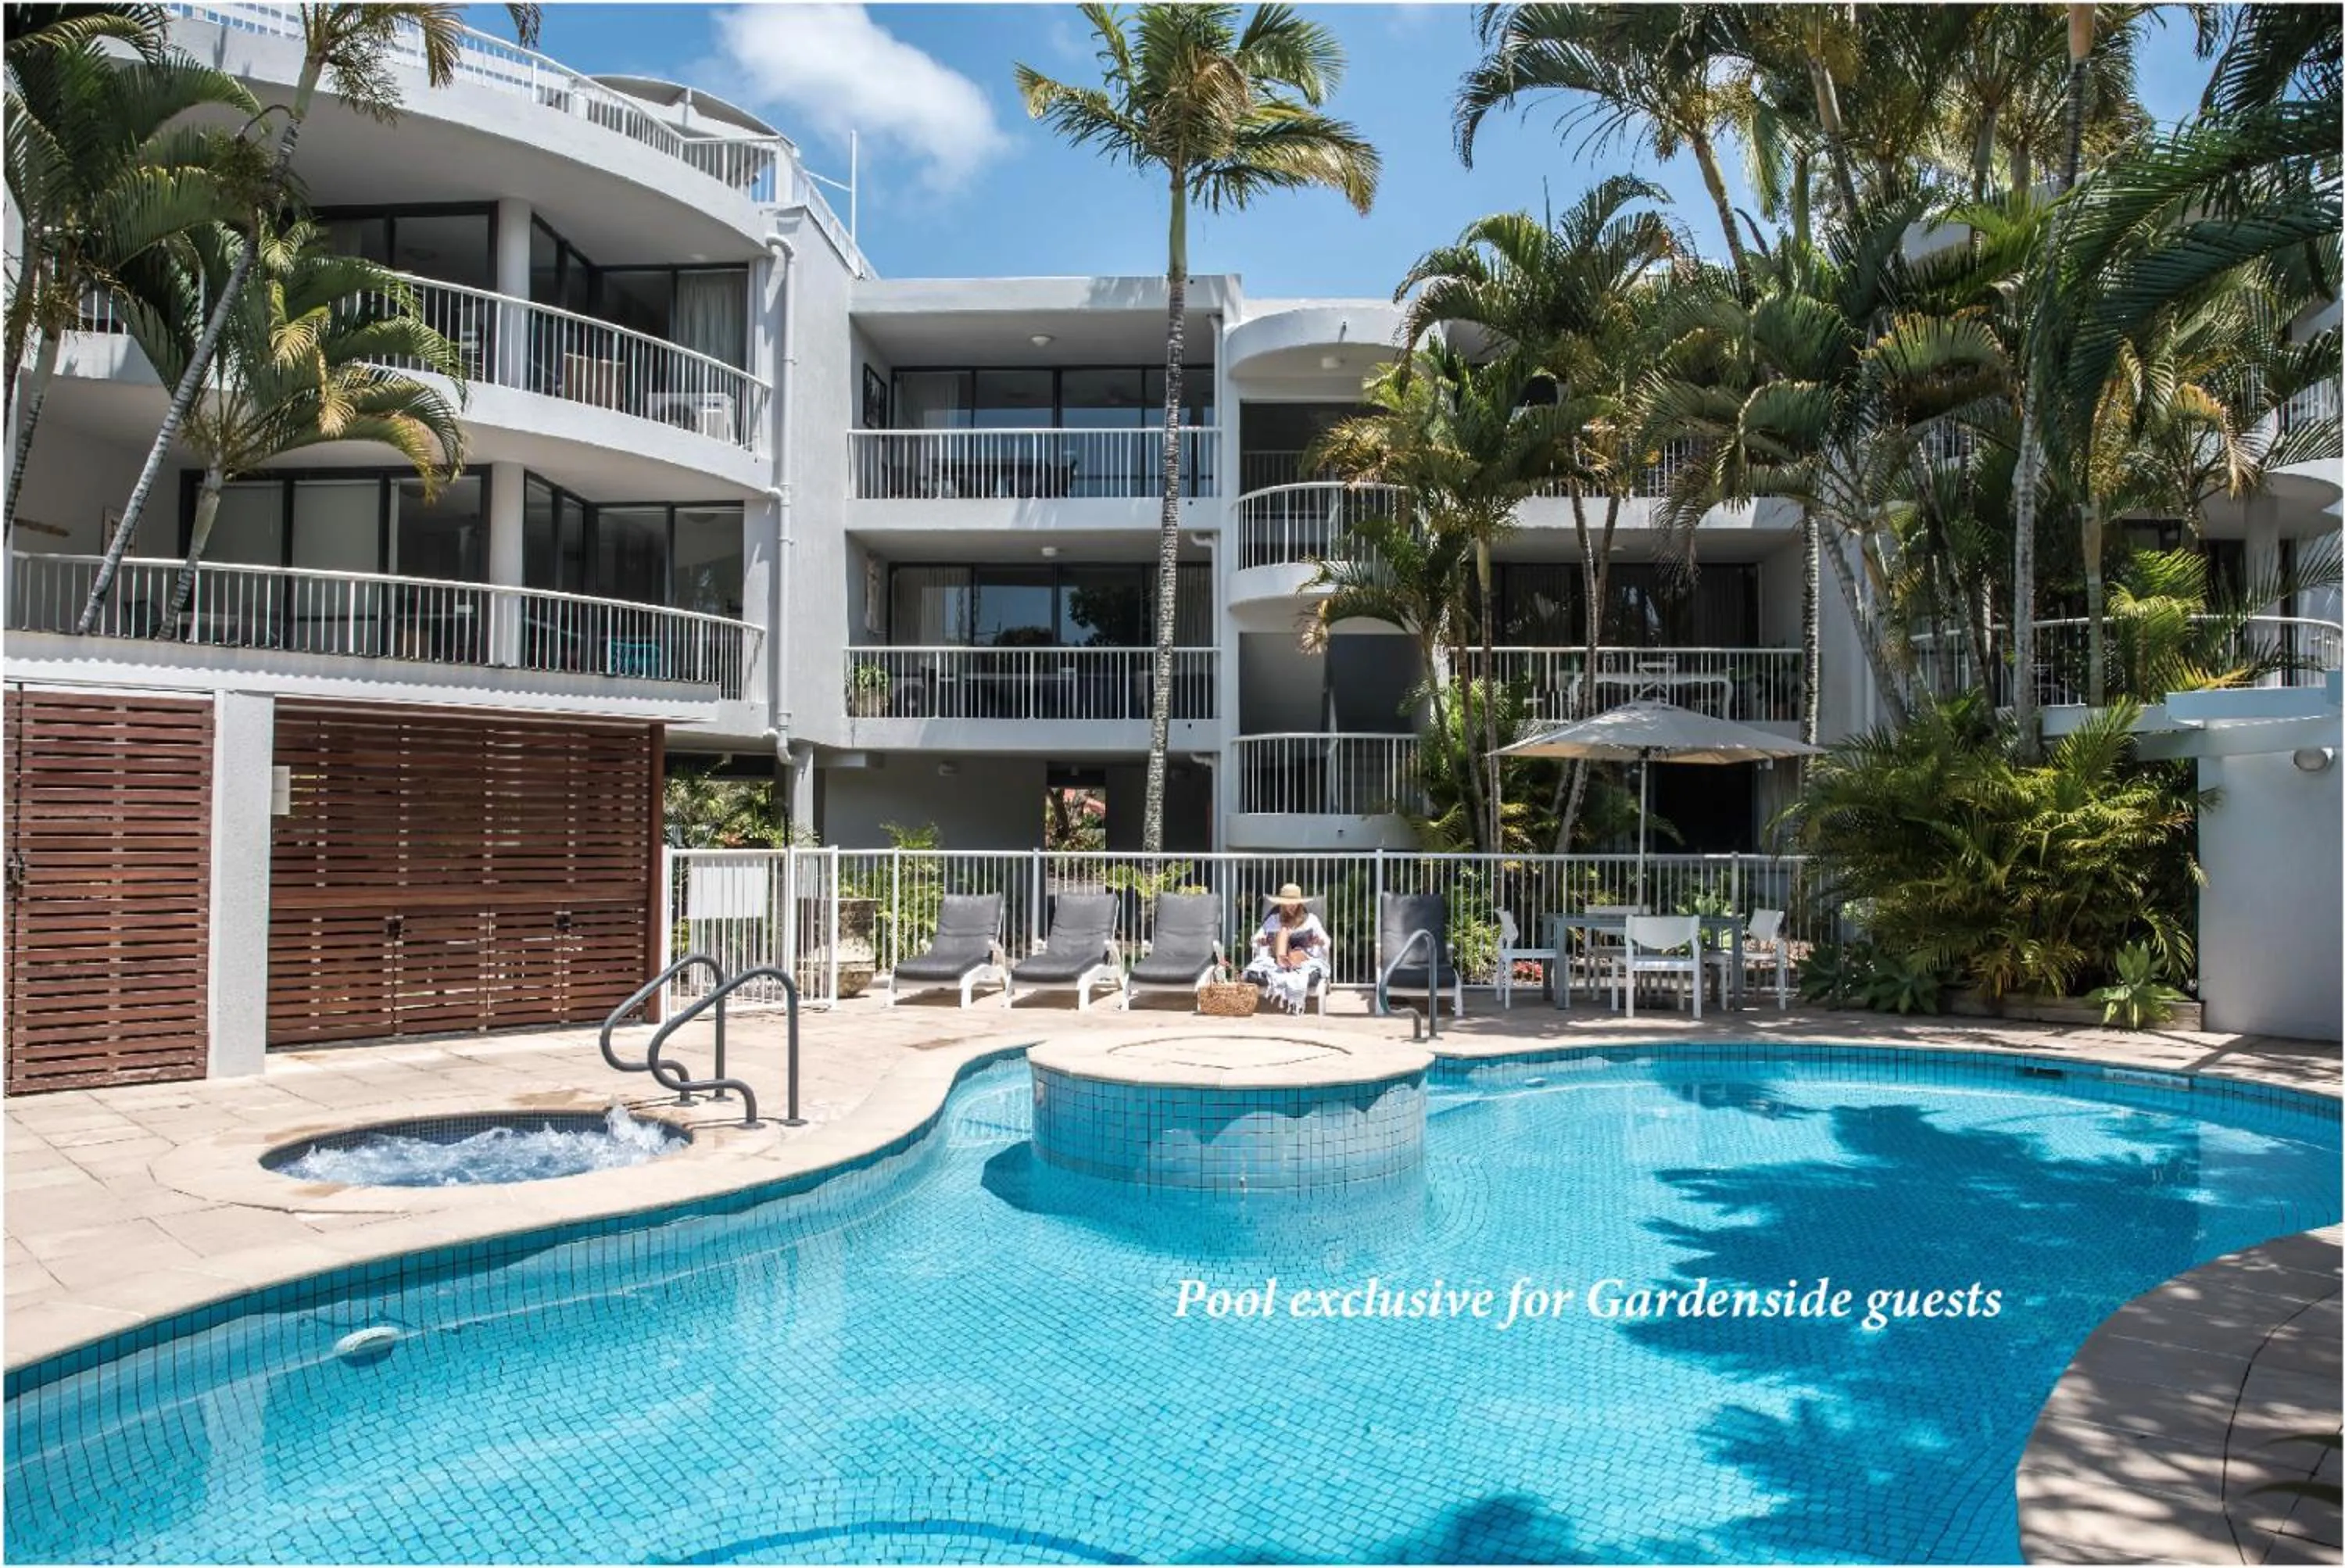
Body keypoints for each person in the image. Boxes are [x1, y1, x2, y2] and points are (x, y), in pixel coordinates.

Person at [1244, 883, 1329, 1014]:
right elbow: (1255, 939)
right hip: (1276, 958)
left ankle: (1285, 960)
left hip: (1302, 958)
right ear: (1282, 904)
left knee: (1295, 951)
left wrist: (1319, 941)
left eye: (1294, 903)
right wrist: (1261, 941)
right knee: (1283, 931)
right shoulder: (1273, 920)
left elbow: (1326, 941)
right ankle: (1283, 958)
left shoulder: (1311, 920)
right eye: (1288, 903)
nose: (1292, 906)